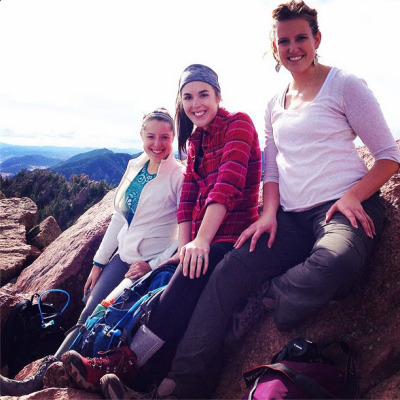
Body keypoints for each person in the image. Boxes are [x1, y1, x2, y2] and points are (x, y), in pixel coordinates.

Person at [98, 2, 400, 398]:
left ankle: (268, 297)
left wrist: (353, 195)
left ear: (317, 39)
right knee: (226, 275)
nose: (293, 48)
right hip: (289, 218)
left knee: (337, 261)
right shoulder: (275, 103)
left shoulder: (344, 85)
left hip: (340, 207)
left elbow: (388, 155)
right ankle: (177, 388)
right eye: (283, 41)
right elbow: (271, 170)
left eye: (301, 38)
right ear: (274, 47)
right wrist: (269, 214)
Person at [57, 63, 262, 397]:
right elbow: (187, 202)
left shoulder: (238, 123)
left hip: (229, 238)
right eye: (188, 97)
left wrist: (199, 242)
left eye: (203, 95)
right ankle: (110, 365)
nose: (196, 103)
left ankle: (125, 365)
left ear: (218, 95)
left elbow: (227, 184)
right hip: (196, 241)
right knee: (144, 295)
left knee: (182, 284)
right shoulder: (195, 141)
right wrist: (185, 246)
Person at [0, 108, 184, 396]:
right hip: (121, 256)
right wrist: (98, 264)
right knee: (86, 313)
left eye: (165, 137)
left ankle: (89, 373)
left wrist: (154, 265)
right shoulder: (135, 166)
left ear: (174, 137)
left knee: (105, 316)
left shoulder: (178, 175)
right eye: (151, 136)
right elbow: (119, 218)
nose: (158, 144)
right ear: (141, 136)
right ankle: (43, 375)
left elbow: (184, 231)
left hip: (147, 264)